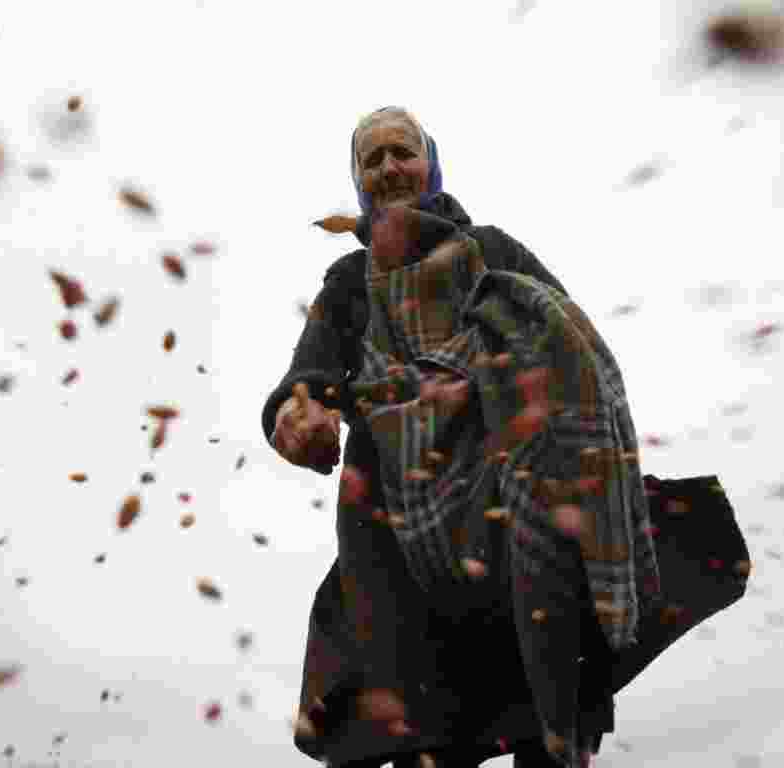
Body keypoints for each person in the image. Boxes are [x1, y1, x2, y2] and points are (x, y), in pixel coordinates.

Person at [262, 107, 661, 768]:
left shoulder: (491, 252)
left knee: (550, 728)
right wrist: (296, 414)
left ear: (430, 165)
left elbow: (570, 350)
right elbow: (306, 377)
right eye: (372, 159)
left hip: (521, 527)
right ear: (359, 182)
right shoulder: (348, 286)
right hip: (402, 553)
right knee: (429, 741)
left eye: (402, 152)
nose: (389, 167)